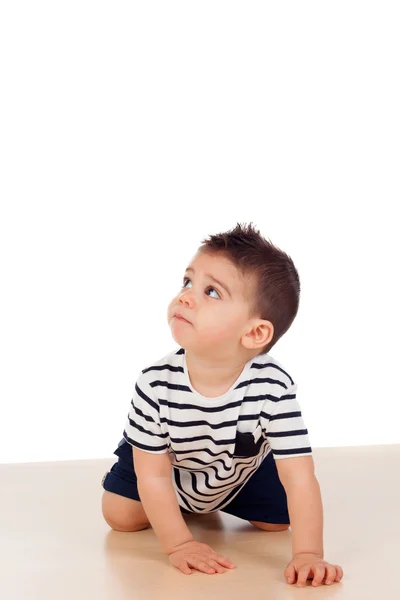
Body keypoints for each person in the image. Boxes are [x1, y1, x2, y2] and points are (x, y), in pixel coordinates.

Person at [101, 222, 344, 587]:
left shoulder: (274, 385)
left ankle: (210, 501)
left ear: (255, 333)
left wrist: (308, 554)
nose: (186, 296)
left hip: (235, 467)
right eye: (187, 282)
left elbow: (299, 476)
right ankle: (179, 505)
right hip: (168, 463)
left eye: (211, 292)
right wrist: (180, 544)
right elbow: (152, 475)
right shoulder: (155, 382)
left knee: (277, 521)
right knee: (120, 515)